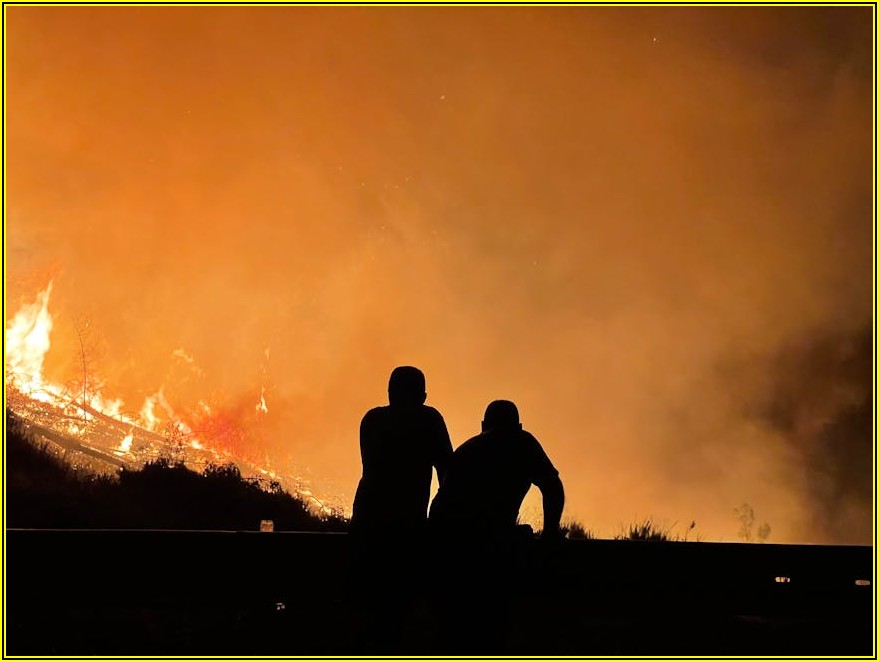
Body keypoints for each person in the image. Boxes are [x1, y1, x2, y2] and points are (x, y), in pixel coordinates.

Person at [429, 399, 564, 538]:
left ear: (483, 425)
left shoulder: (465, 450)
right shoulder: (523, 443)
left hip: (447, 531)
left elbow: (441, 505)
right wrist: (550, 532)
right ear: (519, 426)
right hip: (475, 534)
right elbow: (553, 487)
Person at [351, 365, 453, 534]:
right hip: (408, 523)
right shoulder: (428, 420)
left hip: (367, 521)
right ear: (423, 397)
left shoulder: (372, 419)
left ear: (390, 393)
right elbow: (447, 472)